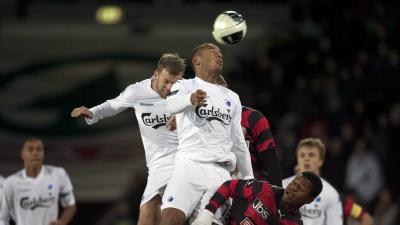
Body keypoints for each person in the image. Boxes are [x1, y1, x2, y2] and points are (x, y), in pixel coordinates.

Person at [70, 53, 185, 225]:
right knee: (148, 206)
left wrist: (184, 115)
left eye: (175, 83)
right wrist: (92, 112)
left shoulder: (186, 90)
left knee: (174, 210)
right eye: (166, 81)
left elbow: (207, 104)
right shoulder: (137, 91)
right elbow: (112, 105)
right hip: (159, 161)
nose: (170, 87)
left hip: (187, 155)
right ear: (156, 74)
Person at [159, 43, 254, 225]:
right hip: (189, 164)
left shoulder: (232, 97)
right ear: (197, 61)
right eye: (214, 52)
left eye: (221, 54)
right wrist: (190, 99)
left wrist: (249, 179)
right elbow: (170, 105)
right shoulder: (185, 85)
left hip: (220, 173)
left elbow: (238, 142)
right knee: (170, 219)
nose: (220, 56)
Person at [217, 75, 282, 186]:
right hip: (213, 187)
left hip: (248, 191)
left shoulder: (253, 118)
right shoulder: (196, 122)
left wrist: (276, 196)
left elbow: (271, 164)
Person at [192, 171, 323, 225]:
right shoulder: (265, 190)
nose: (293, 187)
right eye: (294, 182)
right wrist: (208, 212)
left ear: (309, 199)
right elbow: (229, 186)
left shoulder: (294, 223)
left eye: (300, 188)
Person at [0, 137, 76, 225]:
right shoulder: (10, 183)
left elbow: (70, 205)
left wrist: (62, 222)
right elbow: (2, 219)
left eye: (39, 149)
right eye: (30, 149)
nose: (35, 153)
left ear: (43, 153)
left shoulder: (58, 174)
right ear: (23, 154)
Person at [282, 138, 343, 225]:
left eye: (311, 155)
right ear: (297, 159)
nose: (306, 158)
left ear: (320, 161)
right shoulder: (282, 185)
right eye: (302, 155)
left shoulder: (331, 193)